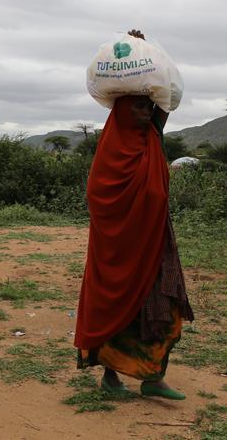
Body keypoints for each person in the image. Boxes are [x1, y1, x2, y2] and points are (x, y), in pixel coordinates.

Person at [74, 29, 194, 402]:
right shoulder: (112, 152)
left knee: (162, 306)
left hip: (154, 241)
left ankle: (153, 376)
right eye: (139, 107)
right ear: (123, 111)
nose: (146, 112)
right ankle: (110, 377)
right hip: (119, 250)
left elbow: (165, 103)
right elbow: (99, 198)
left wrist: (149, 50)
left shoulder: (151, 137)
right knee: (115, 307)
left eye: (147, 107)